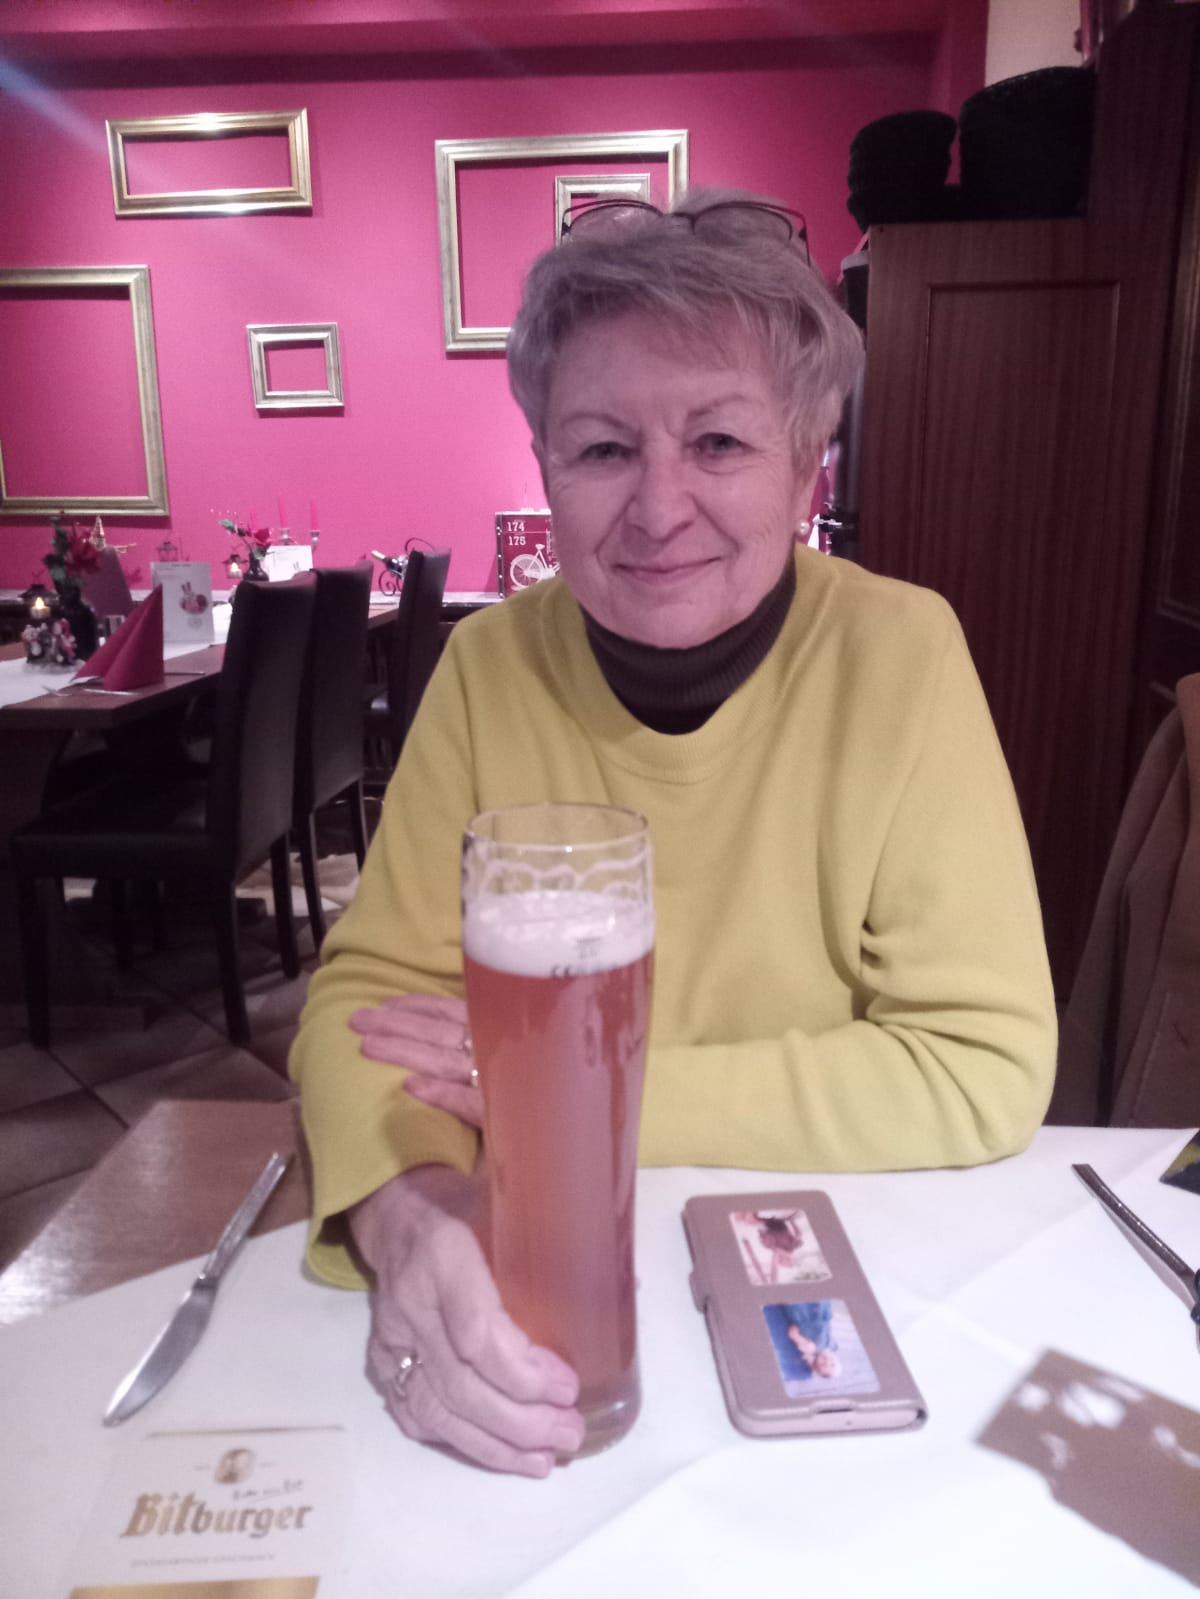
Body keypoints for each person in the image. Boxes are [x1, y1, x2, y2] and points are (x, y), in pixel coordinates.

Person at [289, 188, 1057, 1479]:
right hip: (543, 1294)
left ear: (809, 464)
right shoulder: (487, 667)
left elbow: (981, 1066)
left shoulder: (902, 653)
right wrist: (412, 1217)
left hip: (828, 1292)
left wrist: (545, 1105)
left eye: (718, 442)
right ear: (544, 466)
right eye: (602, 449)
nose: (657, 509)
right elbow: (364, 1004)